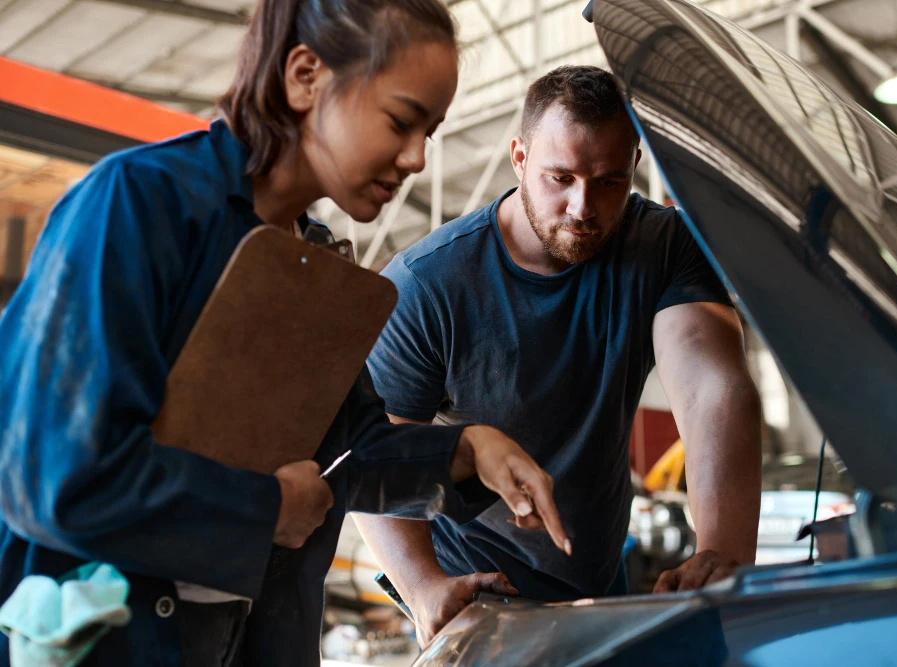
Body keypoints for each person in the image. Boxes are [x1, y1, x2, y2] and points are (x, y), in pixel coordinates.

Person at [0, 2, 570, 666]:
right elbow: (55, 477)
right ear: (305, 76)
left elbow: (343, 452)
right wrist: (264, 507)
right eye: (400, 121)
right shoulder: (135, 207)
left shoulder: (320, 261)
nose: (417, 158)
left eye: (432, 132)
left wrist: (465, 451)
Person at [358, 65, 763, 647]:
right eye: (560, 177)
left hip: (600, 573)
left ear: (634, 167)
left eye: (607, 182)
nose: (582, 206)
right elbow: (374, 448)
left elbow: (712, 390)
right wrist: (422, 586)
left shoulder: (663, 246)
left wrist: (721, 550)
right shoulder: (429, 286)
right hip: (478, 586)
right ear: (519, 156)